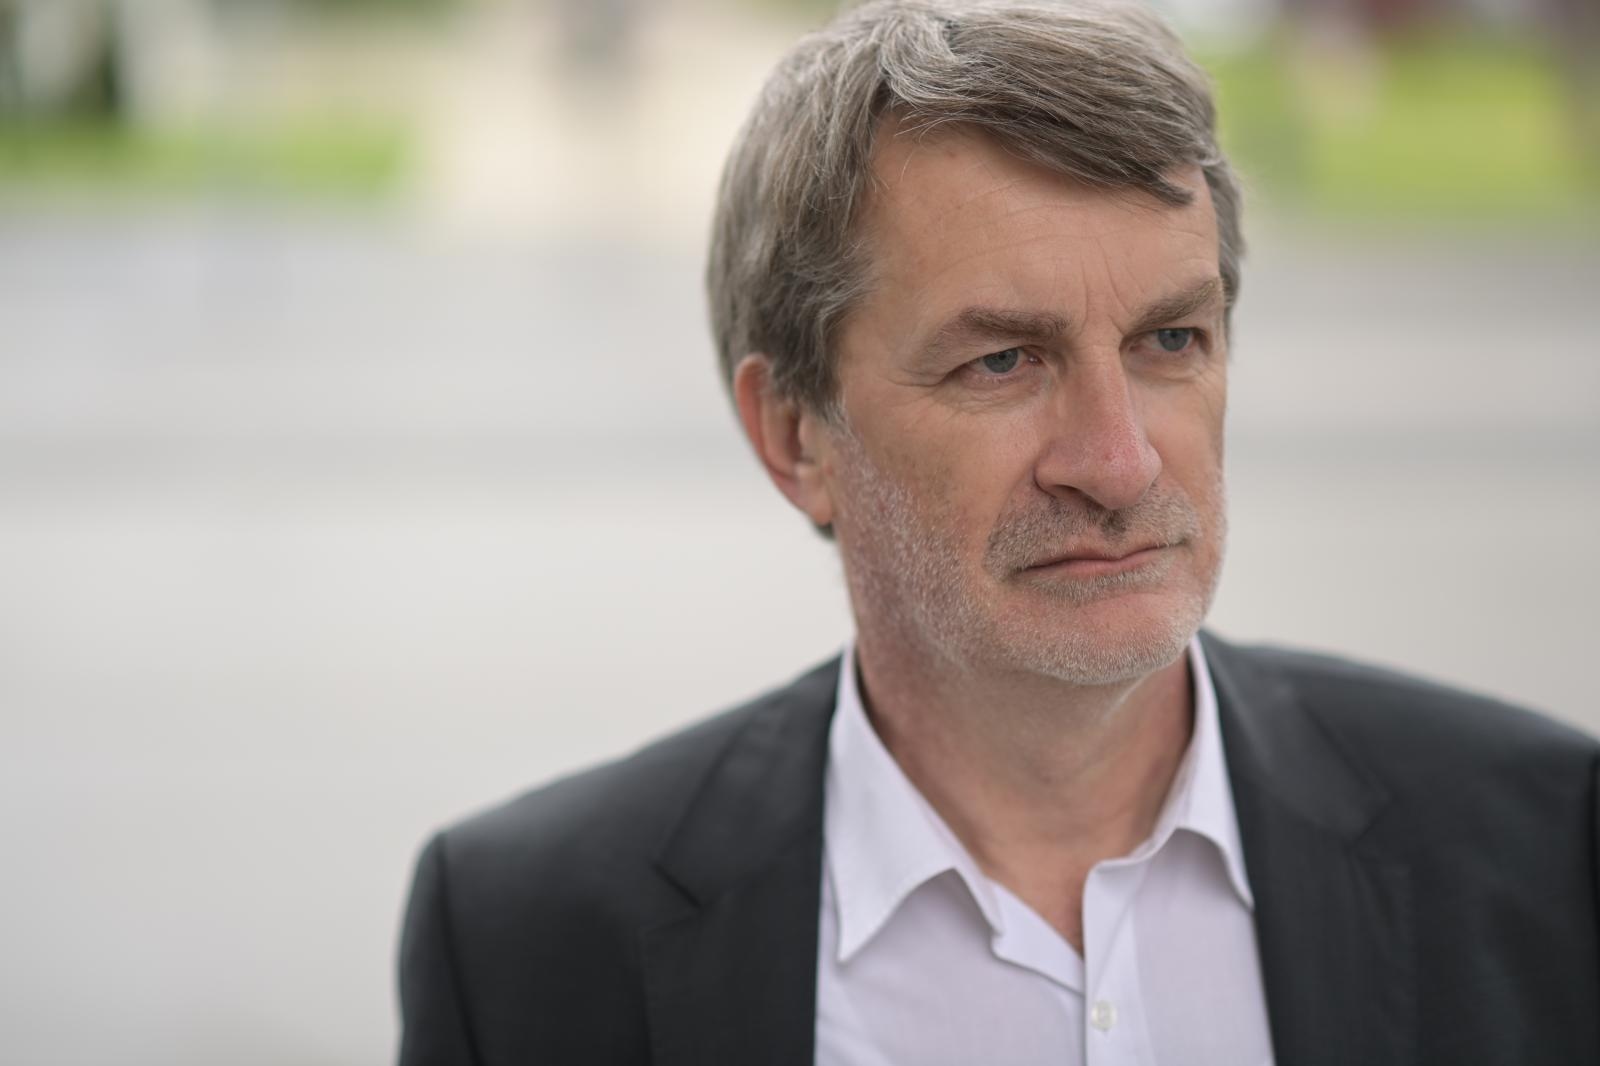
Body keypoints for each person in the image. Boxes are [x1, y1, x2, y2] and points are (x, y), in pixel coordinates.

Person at [396, 1, 1600, 1063]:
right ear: (796, 435)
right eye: (1003, 361)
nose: (1118, 463)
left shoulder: (1546, 843)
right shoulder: (527, 942)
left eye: (1169, 341)